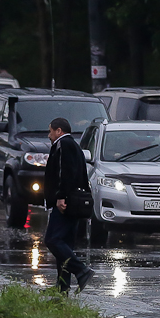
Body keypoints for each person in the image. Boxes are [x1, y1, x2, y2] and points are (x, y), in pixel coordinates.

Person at [43, 117, 95, 293]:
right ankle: (63, 286)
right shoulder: (73, 146)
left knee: (52, 240)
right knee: (64, 243)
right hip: (74, 202)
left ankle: (81, 270)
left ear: (59, 131)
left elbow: (65, 173)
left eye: (50, 131)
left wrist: (60, 197)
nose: (49, 135)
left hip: (66, 203)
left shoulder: (63, 144)